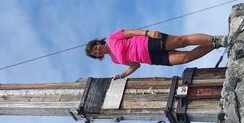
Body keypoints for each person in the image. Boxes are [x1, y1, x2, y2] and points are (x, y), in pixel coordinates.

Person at [85, 29, 228, 79]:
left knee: (181, 41)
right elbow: (135, 65)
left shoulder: (112, 37)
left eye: (95, 48)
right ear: (97, 56)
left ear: (98, 43)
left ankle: (216, 38)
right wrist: (121, 75)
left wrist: (148, 33)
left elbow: (131, 32)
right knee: (185, 58)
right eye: (95, 53)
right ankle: (216, 44)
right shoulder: (115, 60)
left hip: (148, 42)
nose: (97, 51)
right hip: (152, 58)